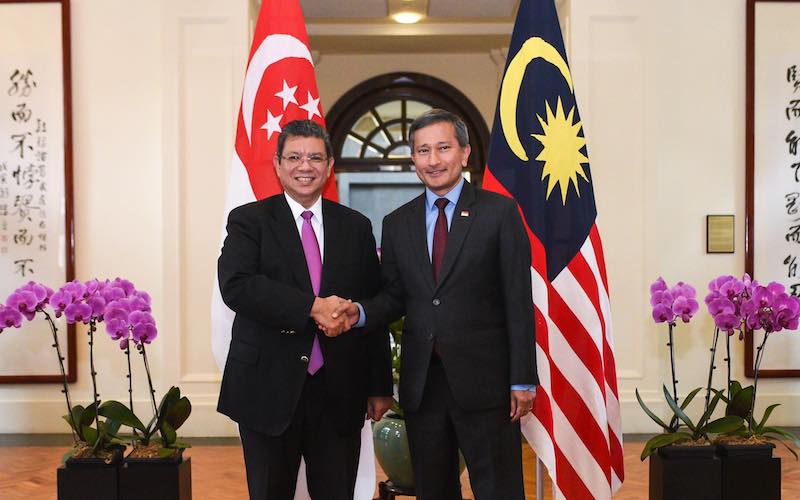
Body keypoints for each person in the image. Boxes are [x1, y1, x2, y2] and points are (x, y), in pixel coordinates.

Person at [332, 109, 538, 499]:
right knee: (433, 490)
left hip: (488, 384)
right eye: (423, 150)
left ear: (464, 152)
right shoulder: (397, 223)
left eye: (443, 148)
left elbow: (517, 300)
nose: (433, 160)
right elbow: (394, 296)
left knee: (500, 489)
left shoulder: (499, 213)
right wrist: (358, 313)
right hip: (424, 385)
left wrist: (522, 378)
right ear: (413, 160)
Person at [216, 119, 393, 499]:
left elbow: (373, 305)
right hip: (267, 388)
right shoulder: (249, 221)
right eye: (294, 156)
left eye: (315, 157)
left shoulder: (356, 227)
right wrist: (312, 308)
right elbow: (238, 286)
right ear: (278, 165)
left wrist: (380, 385)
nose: (305, 166)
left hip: (339, 391)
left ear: (330, 166)